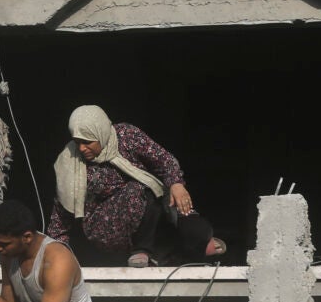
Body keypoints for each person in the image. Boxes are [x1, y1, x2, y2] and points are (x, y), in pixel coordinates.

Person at [48, 104, 225, 268]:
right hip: (106, 225)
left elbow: (163, 159)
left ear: (101, 132)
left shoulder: (126, 135)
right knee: (140, 189)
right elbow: (62, 209)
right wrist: (56, 250)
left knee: (196, 231)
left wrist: (176, 183)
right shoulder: (70, 160)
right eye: (77, 141)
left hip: (151, 205)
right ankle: (142, 250)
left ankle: (184, 250)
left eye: (88, 142)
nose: (82, 148)